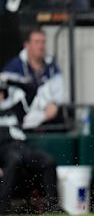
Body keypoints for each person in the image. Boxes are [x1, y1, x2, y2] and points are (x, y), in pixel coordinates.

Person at [0, 75, 59, 214]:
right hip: (4, 150)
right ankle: (2, 208)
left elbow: (32, 90)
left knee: (48, 161)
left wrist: (9, 81)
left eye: (1, 92)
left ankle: (53, 207)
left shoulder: (15, 109)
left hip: (22, 147)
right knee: (14, 160)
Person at [2, 28, 64, 130]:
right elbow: (6, 96)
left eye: (43, 42)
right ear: (27, 45)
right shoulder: (14, 66)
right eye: (37, 42)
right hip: (18, 120)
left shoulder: (52, 67)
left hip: (46, 120)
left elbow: (59, 94)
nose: (41, 46)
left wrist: (54, 104)